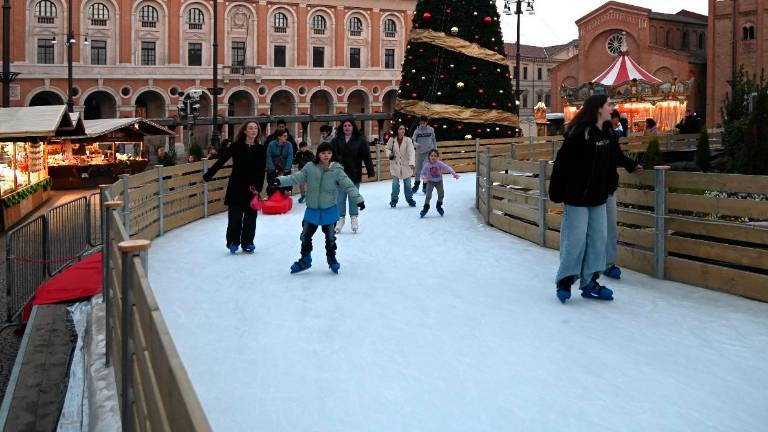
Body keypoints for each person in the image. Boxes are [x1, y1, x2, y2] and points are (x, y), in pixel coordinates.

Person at [548, 94, 615, 304]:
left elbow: (610, 162)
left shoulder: (607, 132)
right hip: (577, 197)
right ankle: (565, 280)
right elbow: (562, 164)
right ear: (598, 109)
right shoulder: (578, 134)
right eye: (609, 105)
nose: (612, 108)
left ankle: (589, 282)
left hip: (598, 197)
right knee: (574, 240)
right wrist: (557, 191)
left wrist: (610, 184)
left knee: (598, 239)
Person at [273, 142, 365, 274]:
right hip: (312, 209)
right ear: (318, 154)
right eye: (323, 153)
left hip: (329, 209)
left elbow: (349, 185)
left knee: (330, 237)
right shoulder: (310, 167)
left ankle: (332, 259)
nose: (326, 155)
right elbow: (296, 177)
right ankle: (305, 260)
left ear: (332, 154)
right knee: (305, 235)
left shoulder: (337, 170)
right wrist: (280, 181)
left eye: (328, 153)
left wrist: (358, 200)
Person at [202, 121, 266, 255]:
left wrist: (259, 187)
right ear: (244, 131)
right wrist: (208, 175)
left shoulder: (261, 149)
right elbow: (221, 161)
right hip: (236, 186)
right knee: (235, 217)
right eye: (250, 128)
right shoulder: (236, 146)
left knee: (250, 218)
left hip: (252, 188)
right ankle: (233, 242)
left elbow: (261, 170)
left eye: (255, 128)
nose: (253, 130)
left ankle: (248, 242)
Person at [604, 119, 643, 280]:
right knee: (590, 229)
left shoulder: (611, 134)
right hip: (588, 190)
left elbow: (617, 155)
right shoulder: (586, 132)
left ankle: (608, 263)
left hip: (607, 187)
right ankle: (586, 266)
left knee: (610, 226)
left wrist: (631, 165)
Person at [331, 119, 374, 233]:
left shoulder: (360, 140)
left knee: (353, 197)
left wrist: (370, 171)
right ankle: (340, 219)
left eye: (349, 125)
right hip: (340, 174)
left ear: (353, 127)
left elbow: (366, 156)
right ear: (342, 128)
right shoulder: (336, 141)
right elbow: (331, 156)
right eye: (345, 125)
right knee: (340, 198)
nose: (347, 127)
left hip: (354, 172)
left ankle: (354, 218)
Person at [418, 149, 460, 218]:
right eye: (432, 156)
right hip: (430, 182)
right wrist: (424, 178)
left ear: (437, 157)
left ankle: (439, 206)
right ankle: (425, 208)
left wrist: (453, 173)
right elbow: (422, 173)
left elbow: (447, 167)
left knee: (441, 194)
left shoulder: (439, 163)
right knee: (428, 196)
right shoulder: (427, 165)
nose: (433, 157)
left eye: (435, 156)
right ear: (429, 157)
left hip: (439, 181)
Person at [385, 124, 417, 208]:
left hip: (406, 165)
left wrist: (412, 163)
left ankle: (410, 199)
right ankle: (394, 200)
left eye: (403, 129)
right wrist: (390, 154)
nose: (402, 130)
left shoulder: (408, 140)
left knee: (407, 184)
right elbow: (387, 148)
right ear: (397, 130)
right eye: (400, 129)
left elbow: (412, 151)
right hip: (395, 165)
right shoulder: (392, 139)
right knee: (395, 184)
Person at [411, 116, 437, 194]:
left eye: (424, 123)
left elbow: (434, 140)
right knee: (418, 170)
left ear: (426, 123)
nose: (422, 125)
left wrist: (435, 150)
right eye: (421, 123)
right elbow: (413, 140)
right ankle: (416, 184)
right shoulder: (417, 131)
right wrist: (415, 144)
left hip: (429, 152)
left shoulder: (431, 130)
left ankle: (425, 185)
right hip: (420, 152)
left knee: (425, 168)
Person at [266, 129, 294, 195]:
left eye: (286, 136)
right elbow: (268, 156)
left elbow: (290, 156)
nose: (286, 137)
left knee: (286, 185)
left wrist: (287, 168)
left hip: (285, 167)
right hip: (274, 167)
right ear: (279, 137)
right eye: (284, 136)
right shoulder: (271, 144)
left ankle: (286, 197)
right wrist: (272, 168)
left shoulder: (289, 144)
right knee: (273, 184)